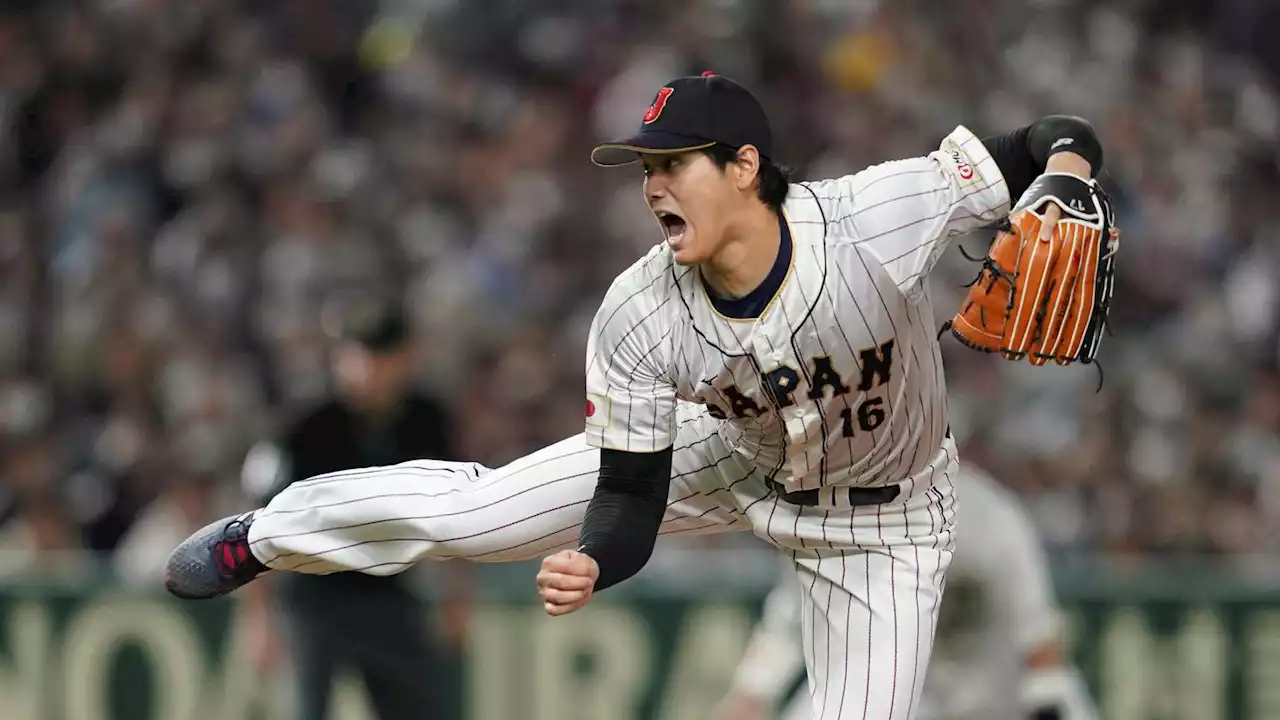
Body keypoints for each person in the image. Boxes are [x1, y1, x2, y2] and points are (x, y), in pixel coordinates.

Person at [164, 72, 1112, 718]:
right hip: (730, 455)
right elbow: (627, 493)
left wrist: (1068, 178)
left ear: (745, 166)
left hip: (887, 529)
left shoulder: (877, 217)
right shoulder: (638, 310)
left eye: (675, 163)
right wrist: (597, 562)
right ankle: (267, 534)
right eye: (646, 168)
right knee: (479, 513)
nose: (653, 184)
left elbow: (1057, 137)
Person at [712, 464, 1100, 720]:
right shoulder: (831, 518)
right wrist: (751, 694)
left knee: (1070, 702)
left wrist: (1046, 698)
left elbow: (1038, 638)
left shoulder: (989, 518)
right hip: (908, 693)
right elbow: (792, 620)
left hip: (996, 688)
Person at [238, 300, 469, 720]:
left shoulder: (426, 419)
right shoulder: (308, 423)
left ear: (404, 359)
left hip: (386, 589)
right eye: (357, 355)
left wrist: (456, 597)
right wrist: (259, 618)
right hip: (314, 593)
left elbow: (461, 508)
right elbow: (259, 520)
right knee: (309, 709)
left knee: (420, 707)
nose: (366, 369)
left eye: (378, 356)